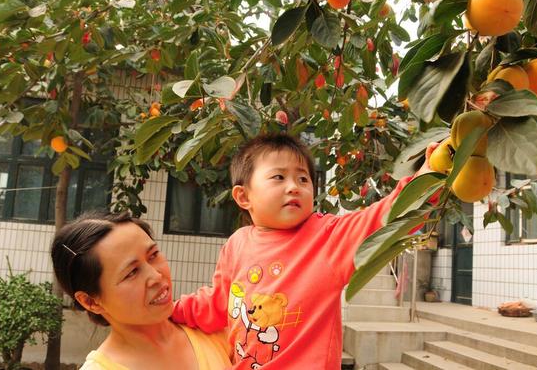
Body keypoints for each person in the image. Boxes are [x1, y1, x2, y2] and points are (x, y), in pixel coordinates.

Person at [172, 133, 437, 369]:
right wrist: (170, 310)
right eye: (279, 177)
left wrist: (429, 175)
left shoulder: (326, 238)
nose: (294, 186)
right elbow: (218, 302)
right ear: (244, 197)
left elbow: (383, 218)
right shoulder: (236, 244)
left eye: (303, 178)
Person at [51, 212, 232, 370]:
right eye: (132, 272)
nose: (156, 276)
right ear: (90, 301)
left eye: (153, 255)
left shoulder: (213, 326)